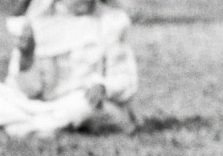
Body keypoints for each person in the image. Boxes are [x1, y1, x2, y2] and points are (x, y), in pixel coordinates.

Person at [0, 0, 137, 137]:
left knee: (83, 107)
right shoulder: (35, 18)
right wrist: (27, 57)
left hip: (82, 102)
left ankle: (29, 127)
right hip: (41, 106)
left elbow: (126, 80)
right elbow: (24, 89)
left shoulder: (111, 21)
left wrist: (104, 87)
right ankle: (41, 126)